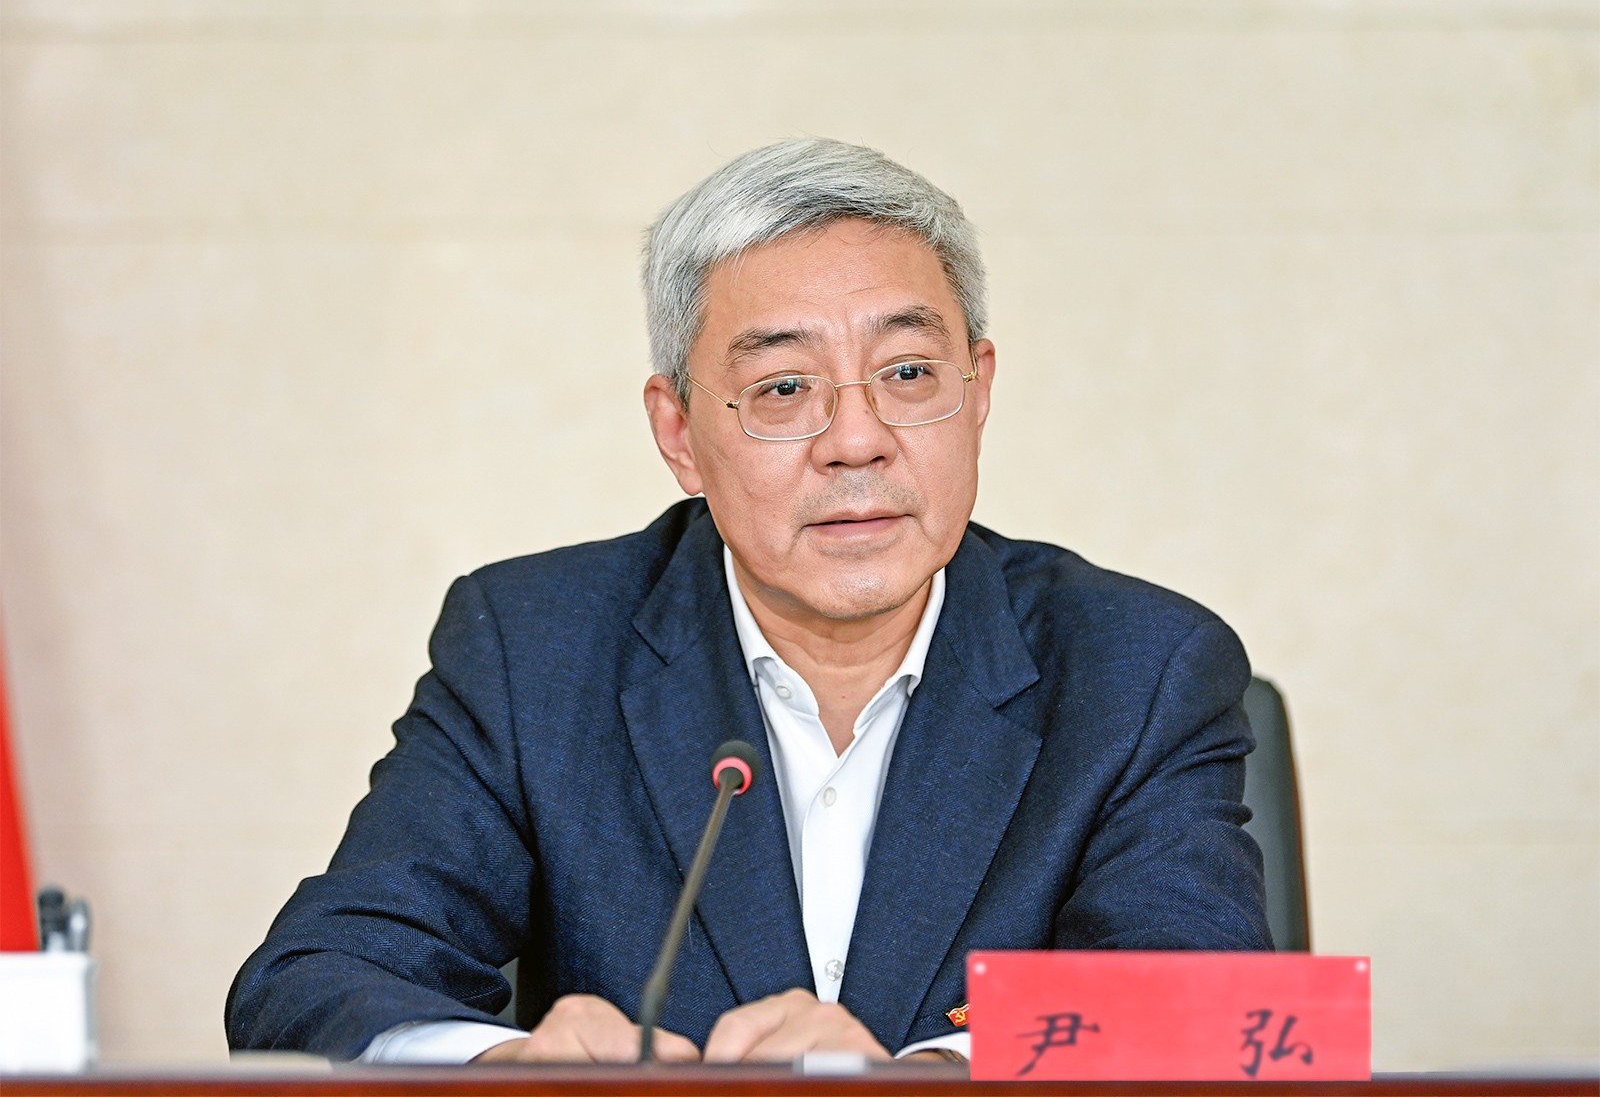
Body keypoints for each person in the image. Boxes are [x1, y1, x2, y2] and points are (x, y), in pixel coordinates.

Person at [225, 138, 1271, 1066]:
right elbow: (316, 977)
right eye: (782, 389)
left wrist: (922, 1075)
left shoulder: (1138, 668)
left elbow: (1203, 1010)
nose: (856, 440)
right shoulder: (533, 650)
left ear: (978, 389)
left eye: (909, 372)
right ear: (679, 433)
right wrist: (505, 1064)